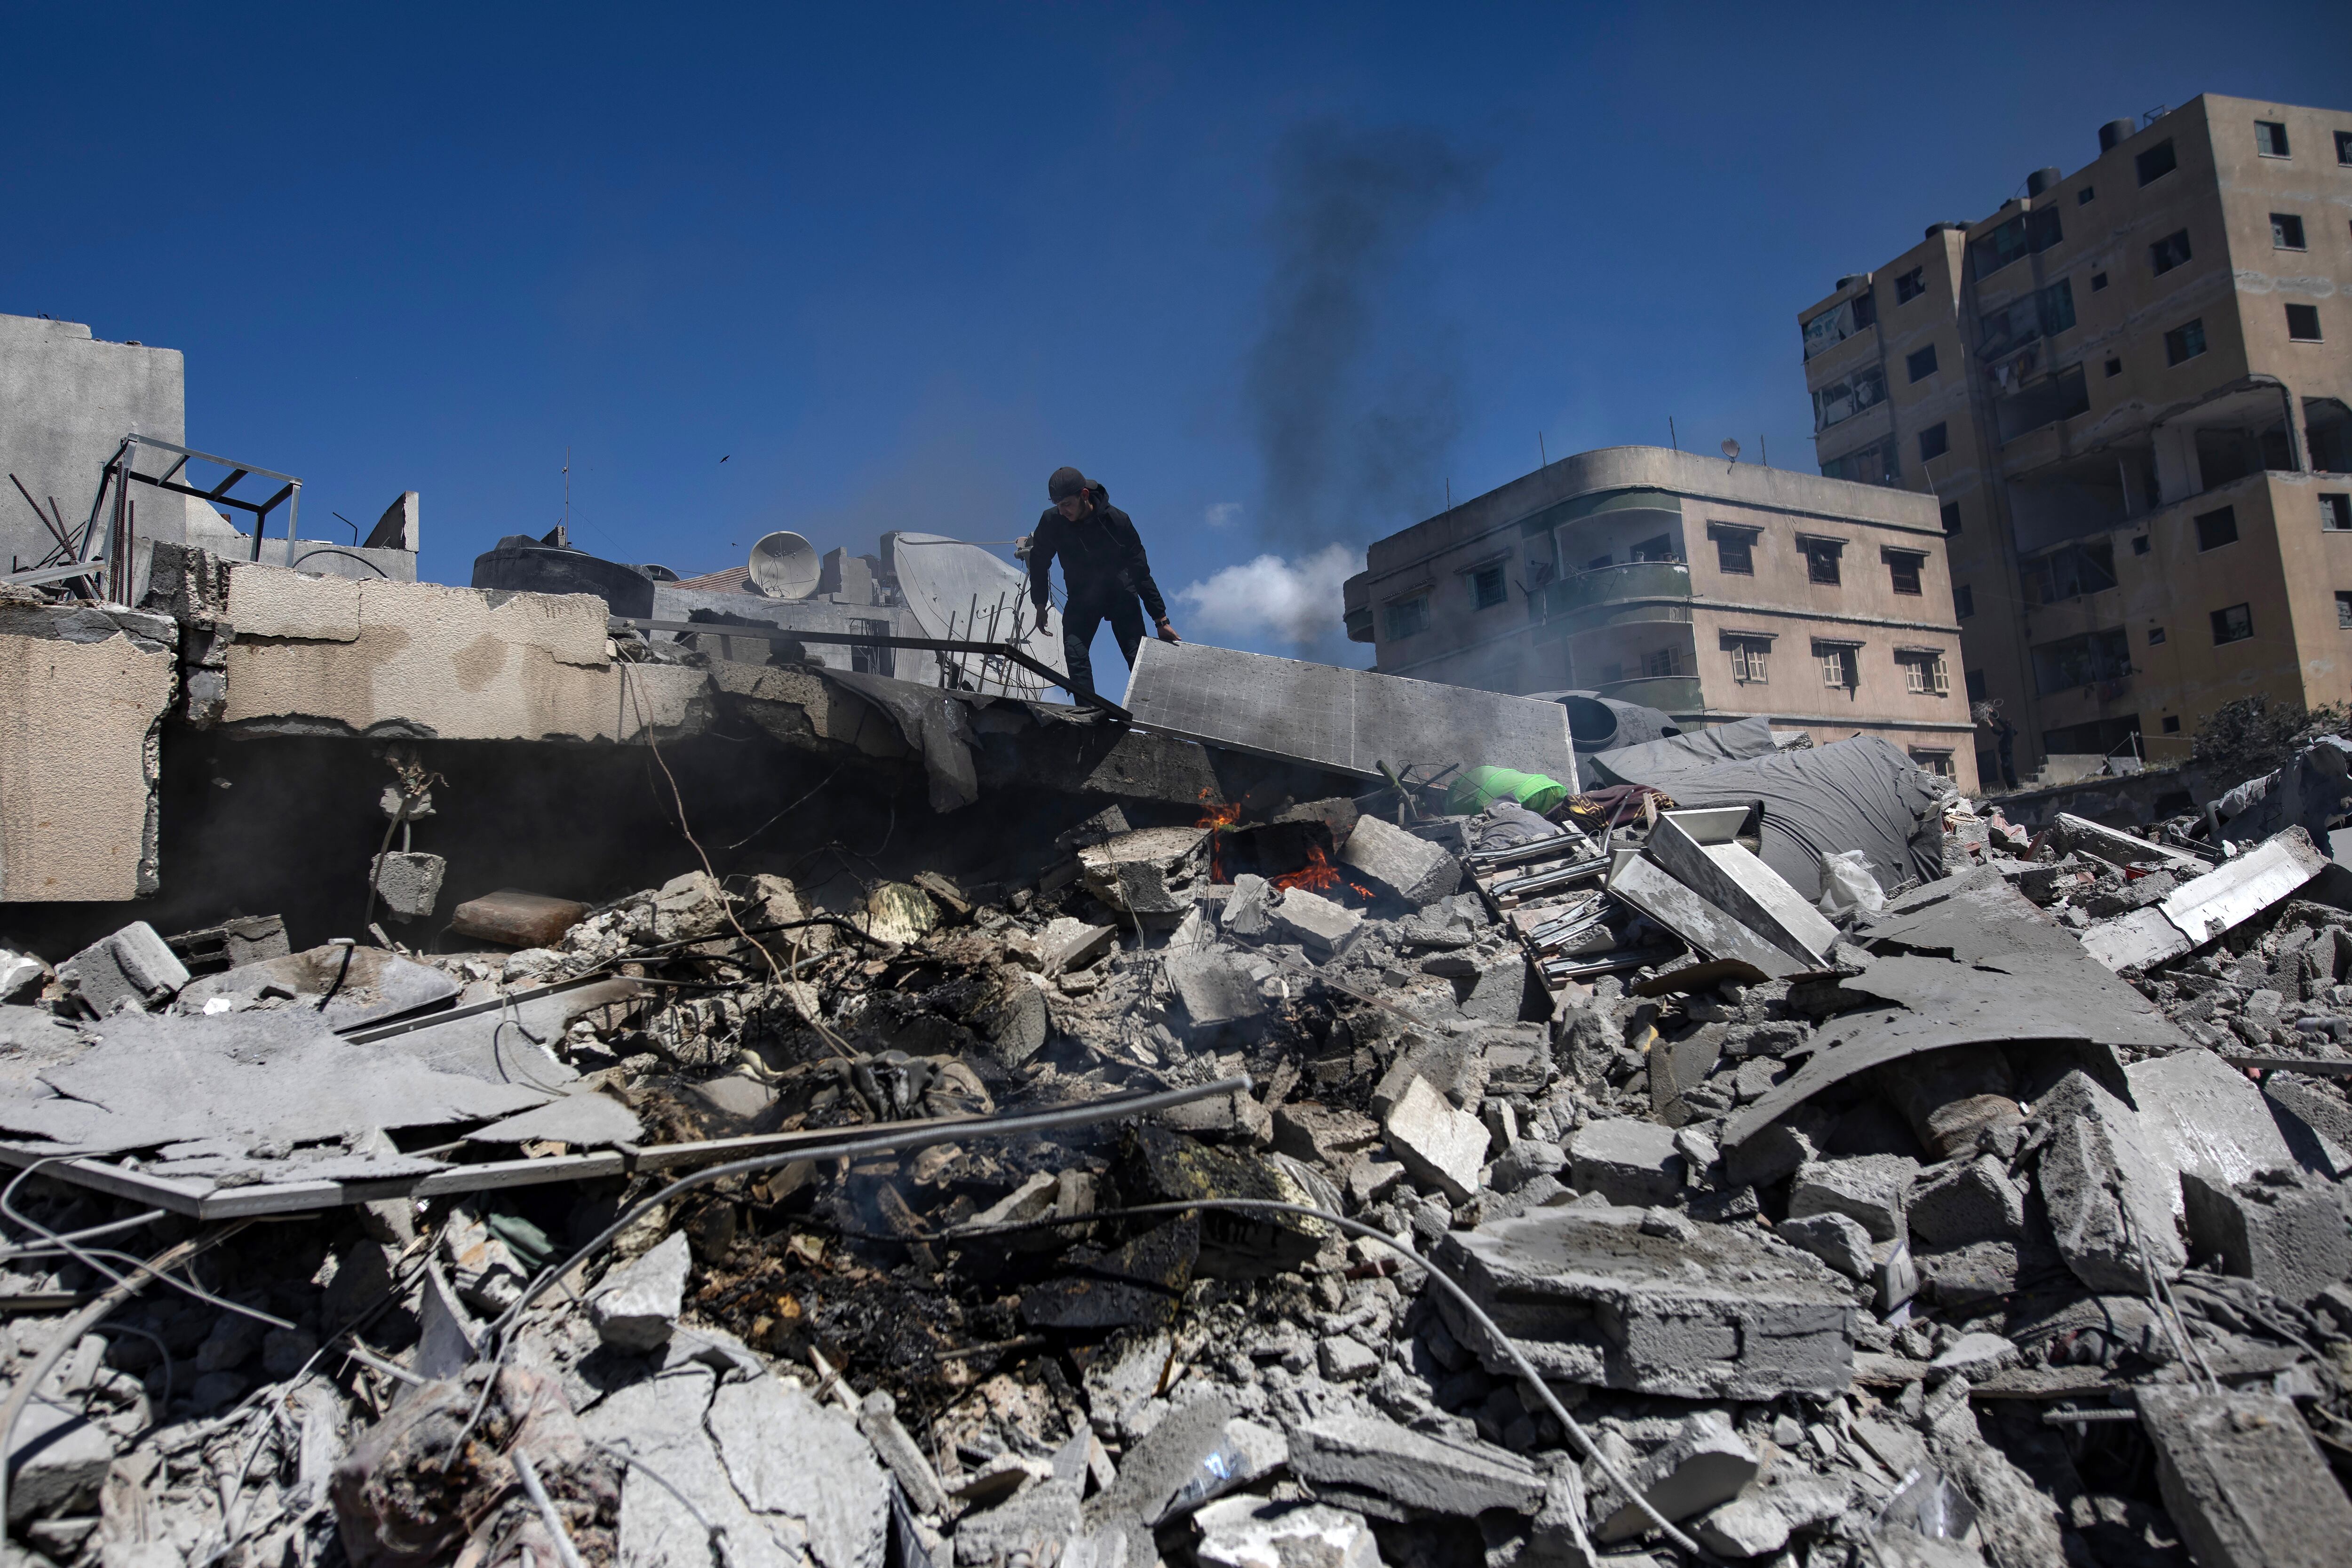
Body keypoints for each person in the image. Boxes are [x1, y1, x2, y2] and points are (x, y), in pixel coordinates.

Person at [1025, 466, 1180, 698]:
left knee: (1137, 657)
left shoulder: (1118, 522)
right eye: (1058, 505)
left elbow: (1141, 572)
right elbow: (1039, 562)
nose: (1062, 510)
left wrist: (1161, 619)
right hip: (1082, 597)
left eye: (1067, 504)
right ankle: (1089, 716)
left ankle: (1152, 715)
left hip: (1121, 594)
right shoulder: (1052, 521)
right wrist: (1040, 603)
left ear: (1084, 495)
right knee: (1074, 652)